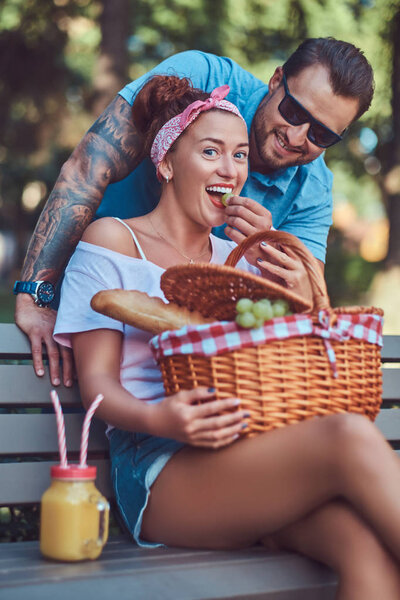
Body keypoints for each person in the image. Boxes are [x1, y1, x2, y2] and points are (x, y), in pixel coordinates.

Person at [53, 75, 400, 598]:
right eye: (210, 151)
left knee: (362, 546)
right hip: (159, 470)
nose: (229, 169)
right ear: (166, 162)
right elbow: (96, 386)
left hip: (247, 459)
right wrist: (160, 417)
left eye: (239, 156)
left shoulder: (237, 267)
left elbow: (283, 376)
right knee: (346, 435)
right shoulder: (114, 241)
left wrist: (280, 268)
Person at [14, 37, 374, 386]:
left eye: (322, 135)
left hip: (184, 373)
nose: (297, 137)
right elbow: (86, 170)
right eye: (294, 111)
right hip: (88, 303)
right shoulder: (200, 78)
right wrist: (36, 295)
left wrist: (271, 252)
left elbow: (304, 307)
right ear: (276, 80)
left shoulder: (312, 191)